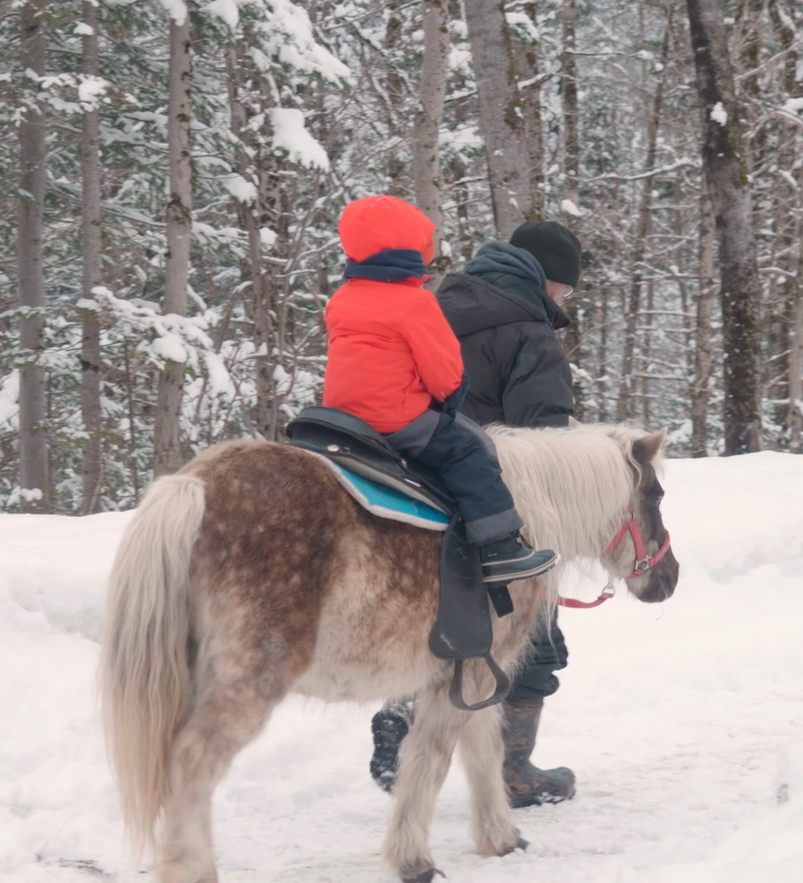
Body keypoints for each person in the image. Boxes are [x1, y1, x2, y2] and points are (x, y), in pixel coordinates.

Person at [370, 220, 581, 808]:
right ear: (550, 280)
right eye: (565, 289)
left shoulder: (436, 304)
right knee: (532, 636)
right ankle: (514, 772)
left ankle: (398, 725)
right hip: (497, 503)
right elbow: (545, 446)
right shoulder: (530, 336)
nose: (563, 301)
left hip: (411, 496)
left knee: (424, 623)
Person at [322, 193, 559, 587]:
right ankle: (499, 546)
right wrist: (450, 398)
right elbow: (445, 371)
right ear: (411, 248)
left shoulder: (341, 299)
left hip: (341, 417)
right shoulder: (416, 304)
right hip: (395, 420)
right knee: (472, 452)